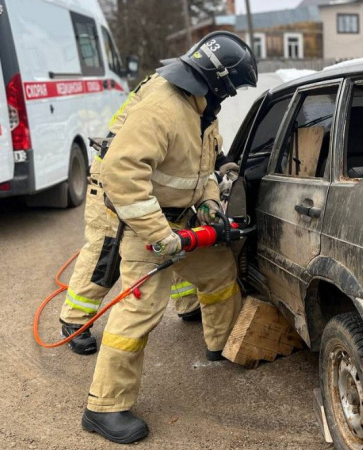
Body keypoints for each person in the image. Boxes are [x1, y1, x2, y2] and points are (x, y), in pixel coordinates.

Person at [80, 31, 257, 444]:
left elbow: (205, 169)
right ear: (216, 80)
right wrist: (162, 236)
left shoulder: (201, 110)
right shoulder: (162, 107)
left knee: (218, 274)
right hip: (150, 230)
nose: (228, 98)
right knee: (139, 313)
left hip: (186, 221)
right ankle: (104, 407)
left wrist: (212, 207)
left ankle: (222, 345)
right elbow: (120, 174)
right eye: (229, 90)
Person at [57, 76, 206, 356]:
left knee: (173, 235)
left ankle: (187, 304)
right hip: (115, 181)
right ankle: (74, 320)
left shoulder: (186, 90)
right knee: (106, 252)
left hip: (149, 177)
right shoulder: (166, 96)